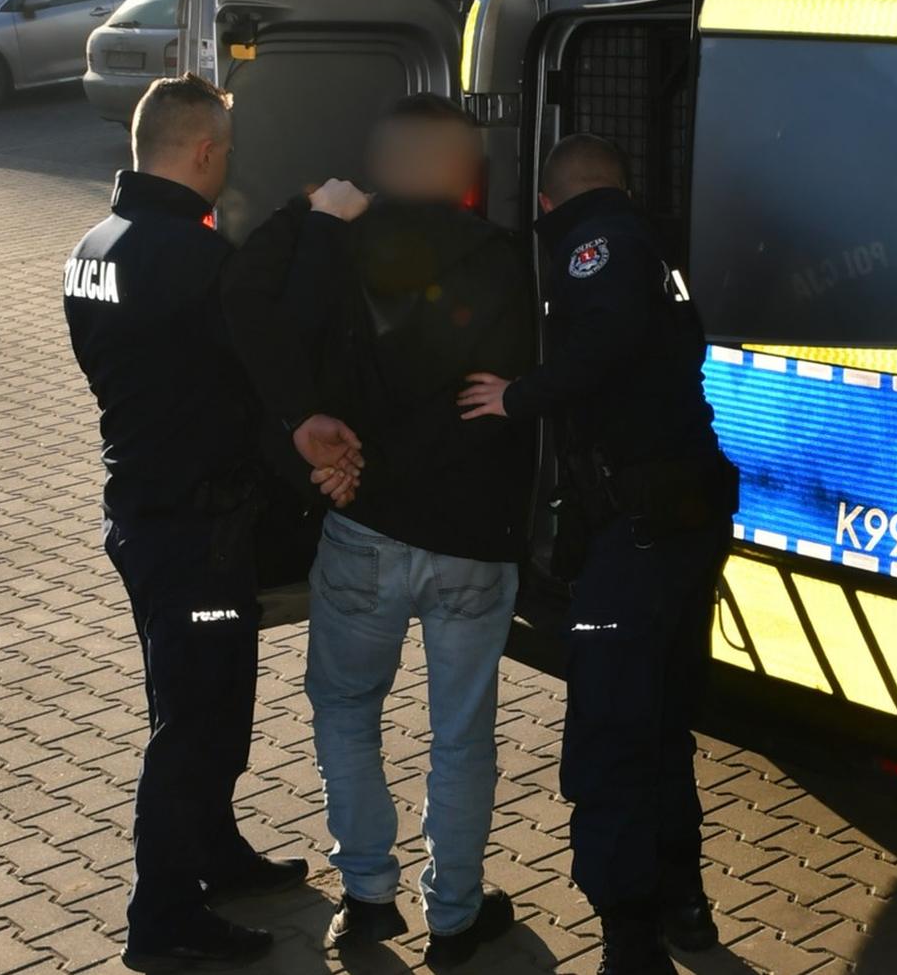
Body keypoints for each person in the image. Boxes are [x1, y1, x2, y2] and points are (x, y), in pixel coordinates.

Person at [221, 93, 535, 969]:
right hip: (472, 539)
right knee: (461, 733)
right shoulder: (503, 259)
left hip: (363, 527)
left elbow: (253, 308)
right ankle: (455, 915)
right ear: (464, 167)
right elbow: (505, 398)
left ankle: (366, 899)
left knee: (347, 711)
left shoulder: (337, 242)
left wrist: (338, 462)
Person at [62, 73, 366, 970]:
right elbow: (277, 337)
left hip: (143, 514)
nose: (227, 164)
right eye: (225, 151)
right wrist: (320, 228)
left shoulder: (94, 246)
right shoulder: (191, 259)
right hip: (198, 532)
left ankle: (216, 856)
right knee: (196, 727)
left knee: (199, 704)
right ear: (202, 151)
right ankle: (162, 917)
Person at [459, 134, 738, 975]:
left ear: (551, 202)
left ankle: (630, 935)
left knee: (612, 733)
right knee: (660, 723)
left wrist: (519, 396)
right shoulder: (653, 245)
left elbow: (606, 338)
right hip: (684, 521)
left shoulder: (598, 244)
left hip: (640, 534)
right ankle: (683, 901)